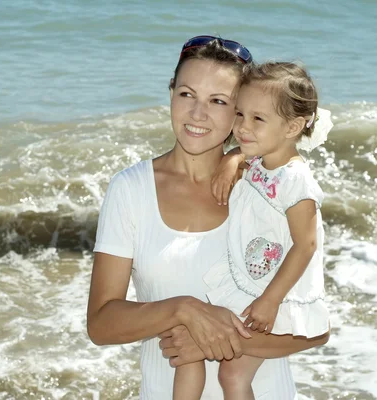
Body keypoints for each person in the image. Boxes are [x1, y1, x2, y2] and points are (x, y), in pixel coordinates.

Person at [86, 36, 330, 400]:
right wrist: (183, 310)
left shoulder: (272, 188)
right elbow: (102, 325)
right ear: (171, 93)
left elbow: (316, 328)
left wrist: (213, 342)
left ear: (241, 110)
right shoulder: (130, 189)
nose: (198, 114)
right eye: (187, 94)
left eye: (219, 101)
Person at [173, 61, 333, 400]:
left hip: (276, 291)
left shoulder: (295, 179)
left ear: (292, 127)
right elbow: (246, 156)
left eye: (257, 119)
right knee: (231, 374)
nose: (243, 127)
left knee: (223, 366)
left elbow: (306, 245)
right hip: (254, 277)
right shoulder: (261, 159)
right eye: (241, 114)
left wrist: (270, 301)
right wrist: (233, 159)